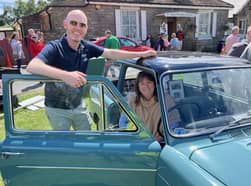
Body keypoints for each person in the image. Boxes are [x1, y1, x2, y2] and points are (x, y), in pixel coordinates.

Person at [26, 9, 156, 131]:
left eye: (82, 25)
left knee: (87, 140)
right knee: (65, 146)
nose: (78, 28)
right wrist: (65, 76)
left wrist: (142, 53)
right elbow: (33, 66)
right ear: (65, 24)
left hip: (78, 105)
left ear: (86, 28)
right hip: (57, 109)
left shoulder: (86, 47)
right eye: (73, 23)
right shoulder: (54, 47)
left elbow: (111, 53)